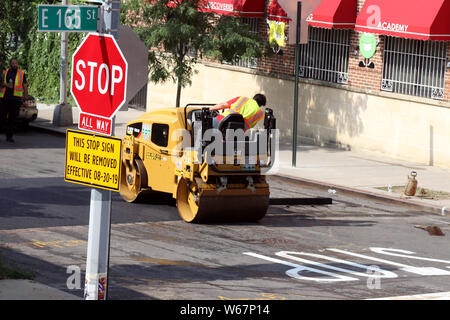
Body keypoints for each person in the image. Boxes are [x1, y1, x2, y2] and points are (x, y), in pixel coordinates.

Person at [0, 58, 29, 142]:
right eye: (13, 63)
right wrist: (6, 85)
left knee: (12, 119)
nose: (14, 65)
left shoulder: (22, 73)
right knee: (2, 117)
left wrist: (26, 99)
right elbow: (1, 83)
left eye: (16, 63)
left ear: (17, 64)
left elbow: (25, 86)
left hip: (16, 100)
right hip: (5, 98)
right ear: (10, 64)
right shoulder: (5, 72)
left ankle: (9, 136)